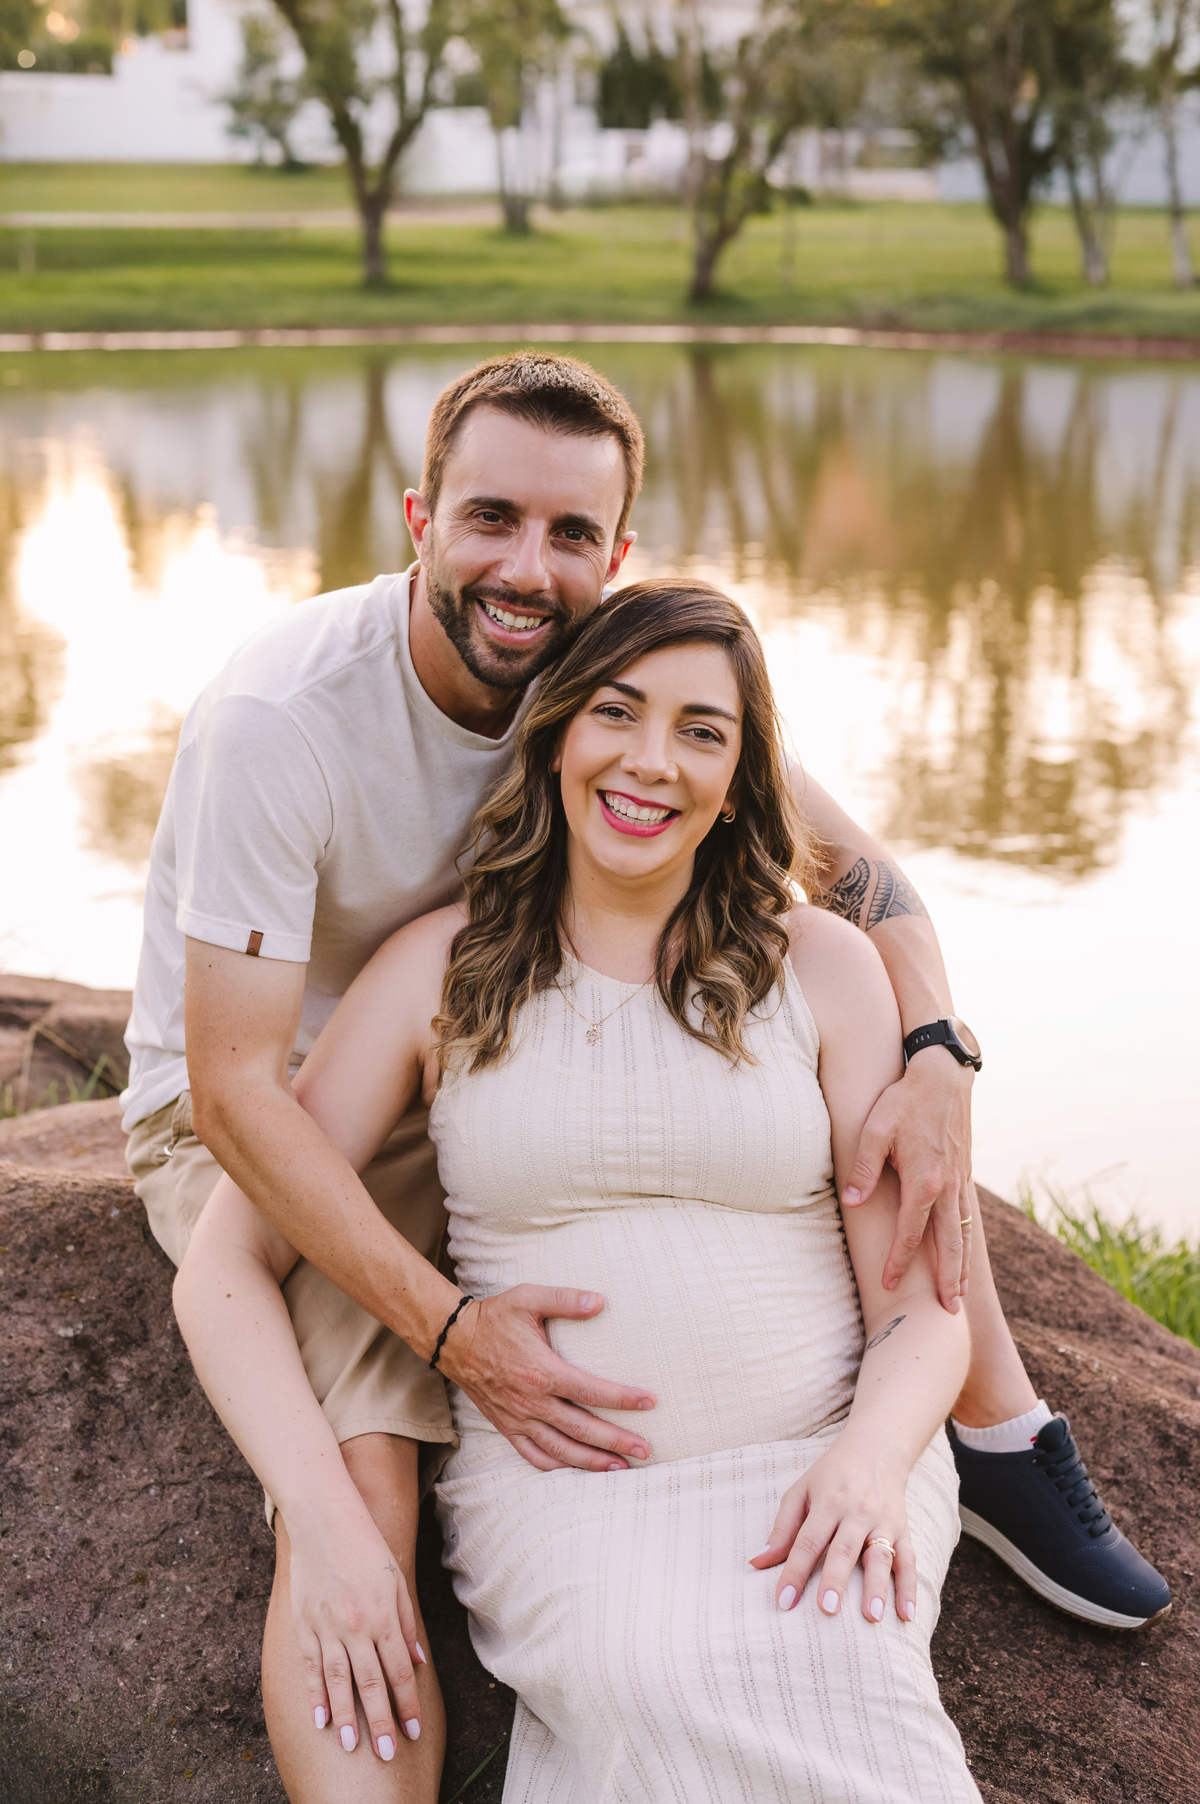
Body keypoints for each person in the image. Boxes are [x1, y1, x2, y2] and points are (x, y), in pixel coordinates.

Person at [126, 353, 1168, 1798]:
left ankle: (994, 1430)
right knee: (360, 1489)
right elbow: (237, 1098)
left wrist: (938, 1052)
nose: (525, 567)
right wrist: (451, 1332)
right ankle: (352, 1590)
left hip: (517, 1065)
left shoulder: (606, 671)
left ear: (616, 554)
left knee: (905, 1138)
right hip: (288, 1089)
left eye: (570, 534)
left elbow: (868, 882)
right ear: (421, 519)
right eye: (490, 518)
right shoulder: (285, 719)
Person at [178, 579, 981, 1799]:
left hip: (822, 1463)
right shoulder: (439, 970)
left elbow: (925, 1308)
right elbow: (224, 1266)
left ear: (739, 779)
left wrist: (872, 1460)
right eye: (616, 711)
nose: (651, 761)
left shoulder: (823, 964)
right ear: (555, 736)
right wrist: (322, 1510)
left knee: (846, 1669)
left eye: (701, 731)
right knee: (637, 1669)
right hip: (565, 1501)